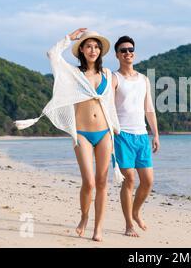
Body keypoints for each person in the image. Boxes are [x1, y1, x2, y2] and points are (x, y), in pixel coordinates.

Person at [14, 28, 123, 242]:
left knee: (102, 182)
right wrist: (68, 38)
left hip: (104, 133)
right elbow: (52, 55)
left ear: (101, 52)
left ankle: (98, 228)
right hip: (81, 132)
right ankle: (84, 216)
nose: (93, 50)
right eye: (89, 46)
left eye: (96, 47)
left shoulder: (108, 75)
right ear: (81, 50)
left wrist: (118, 128)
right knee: (89, 182)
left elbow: (111, 105)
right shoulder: (72, 73)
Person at [112, 36, 160, 237]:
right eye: (123, 50)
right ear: (117, 55)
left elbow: (149, 108)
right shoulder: (114, 78)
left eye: (130, 49)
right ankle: (128, 224)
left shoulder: (143, 79)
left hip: (141, 135)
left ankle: (135, 211)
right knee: (129, 179)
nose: (127, 53)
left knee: (148, 181)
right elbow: (106, 105)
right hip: (121, 134)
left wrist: (155, 134)